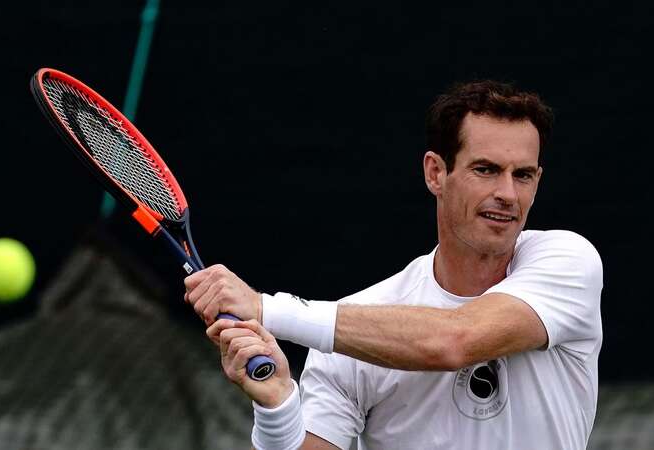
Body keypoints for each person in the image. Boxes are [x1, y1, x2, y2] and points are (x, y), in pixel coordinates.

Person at [184, 80, 603, 449]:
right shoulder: (353, 335)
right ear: (436, 173)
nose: (508, 194)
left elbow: (454, 340)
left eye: (523, 175)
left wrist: (265, 309)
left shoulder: (567, 261)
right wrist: (276, 405)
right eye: (486, 170)